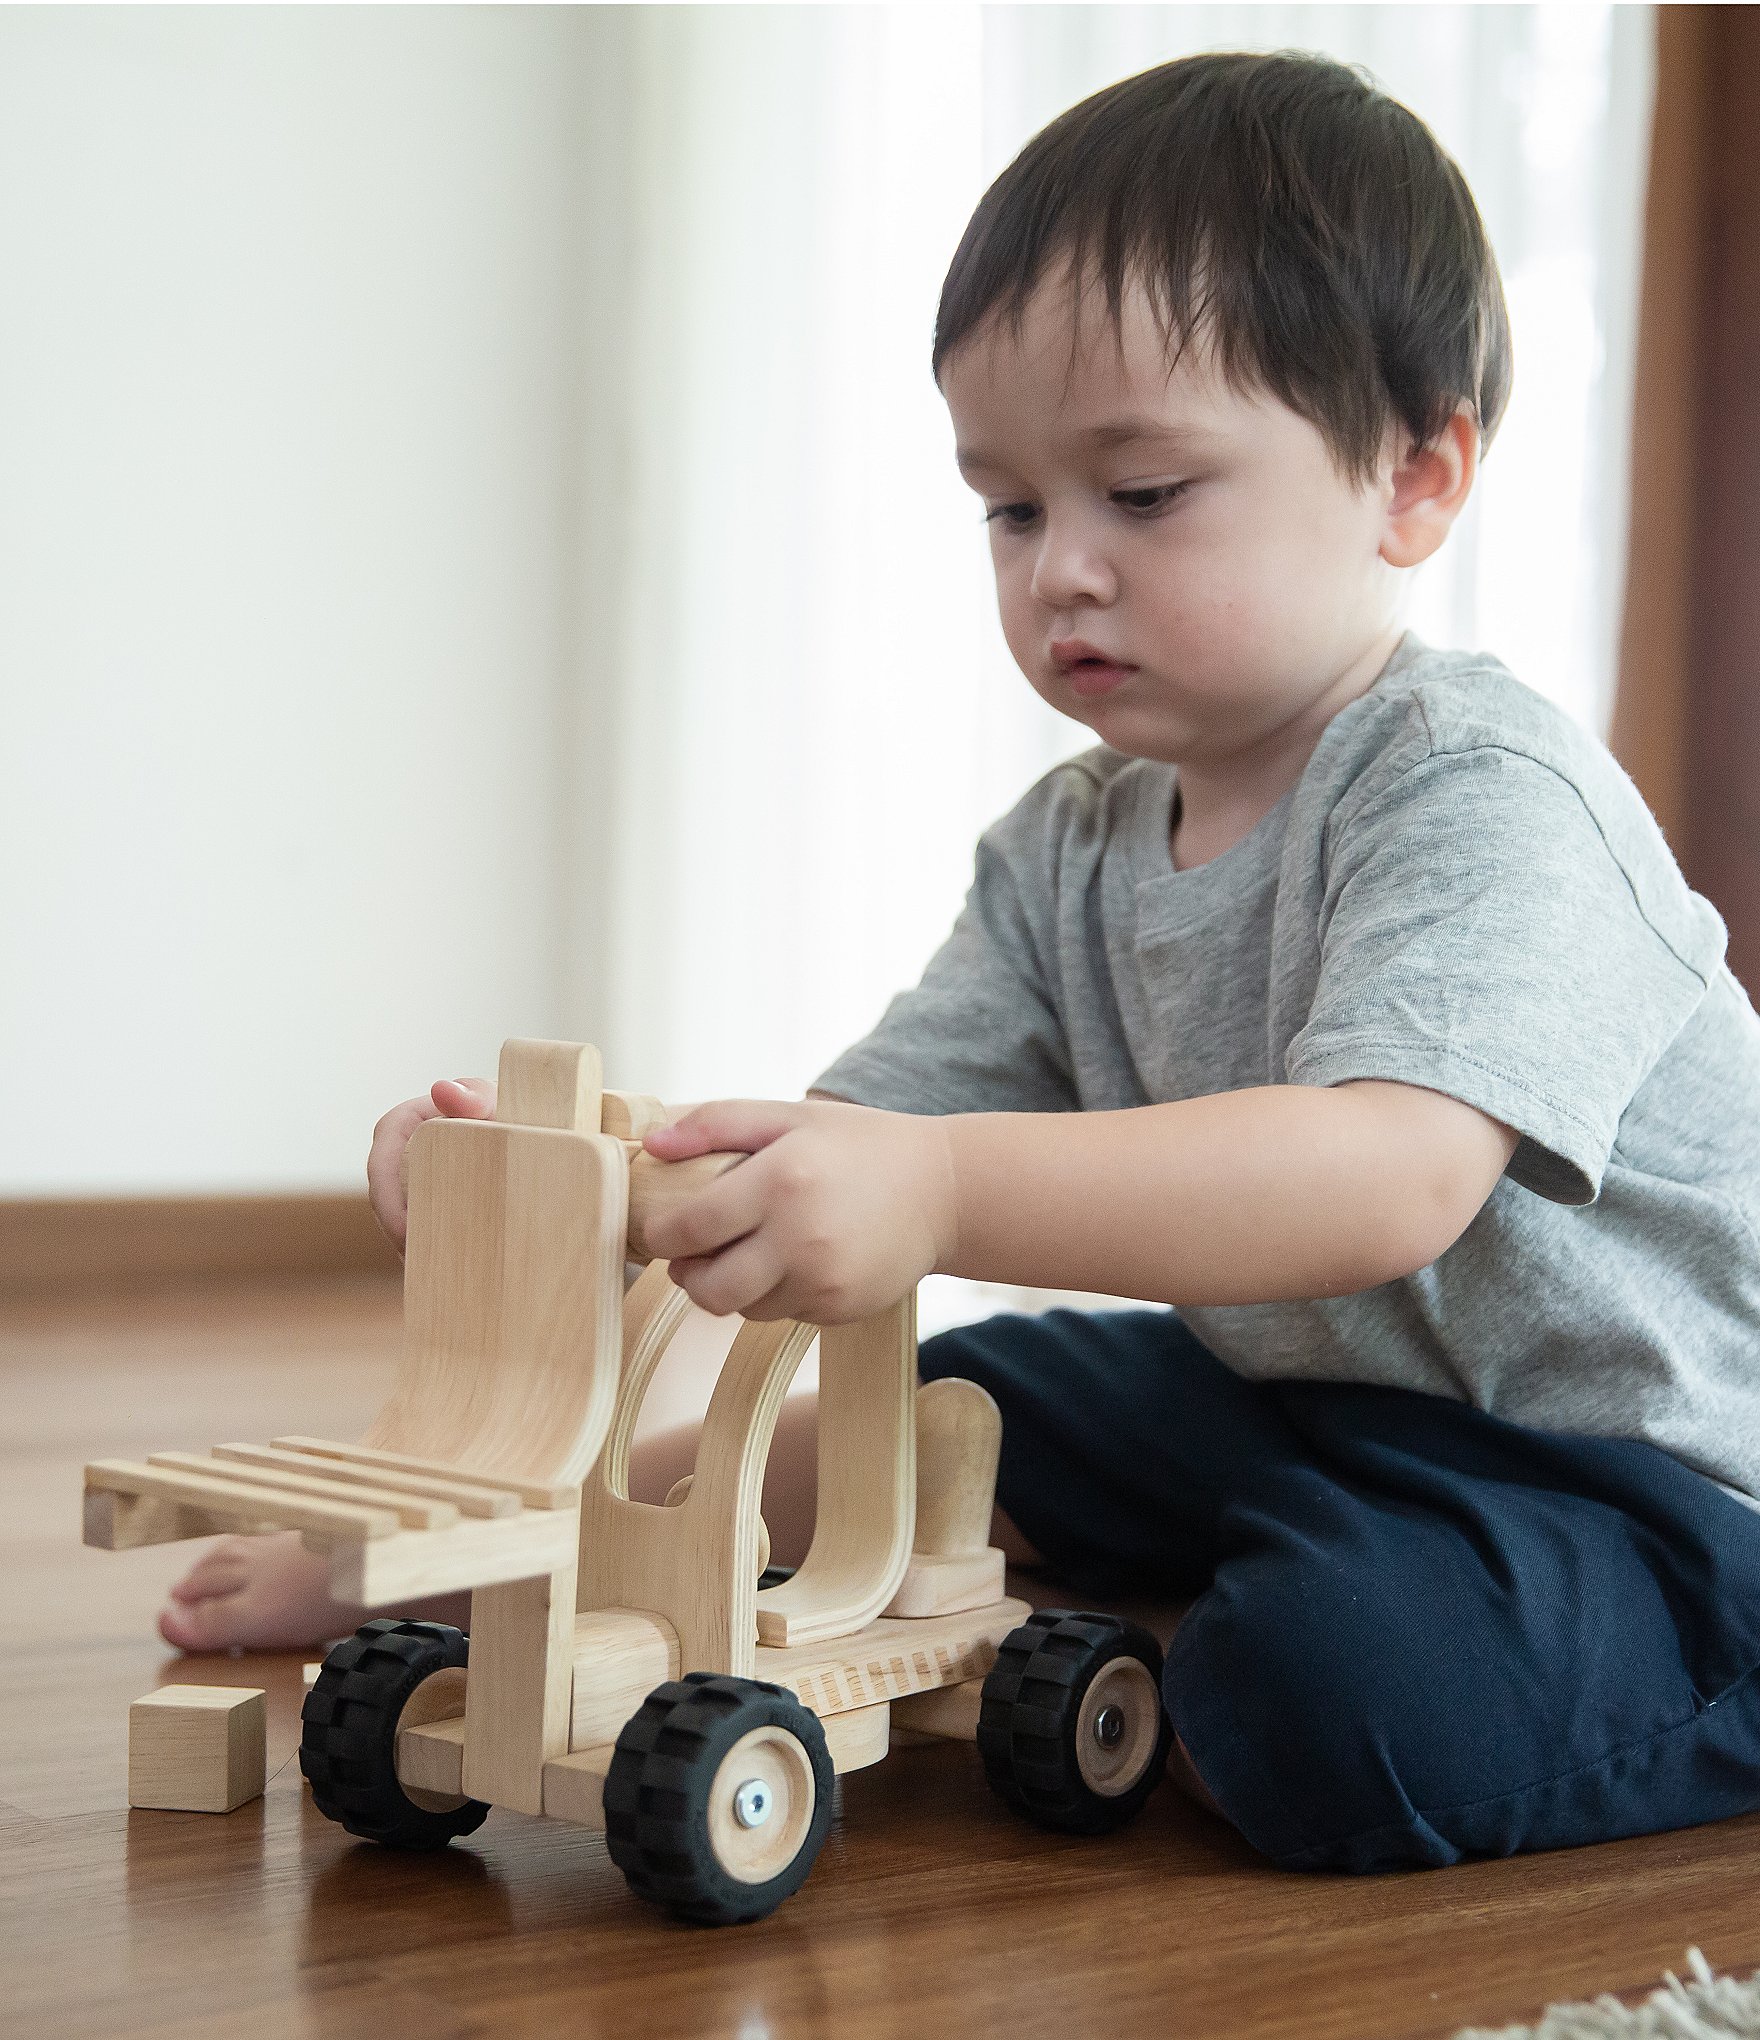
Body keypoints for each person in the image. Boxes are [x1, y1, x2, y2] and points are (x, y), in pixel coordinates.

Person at [162, 49, 1760, 1874]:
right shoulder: (1070, 847)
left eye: (1143, 493)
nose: (1059, 569)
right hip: (1306, 1414)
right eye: (1009, 509)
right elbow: (849, 1143)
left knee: (1327, 1704)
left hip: (1648, 1496)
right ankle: (506, 1569)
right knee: (952, 1410)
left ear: (1416, 477)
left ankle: (1191, 1656)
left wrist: (930, 1189)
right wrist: (577, 1174)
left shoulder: (1482, 789)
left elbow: (1384, 1177)